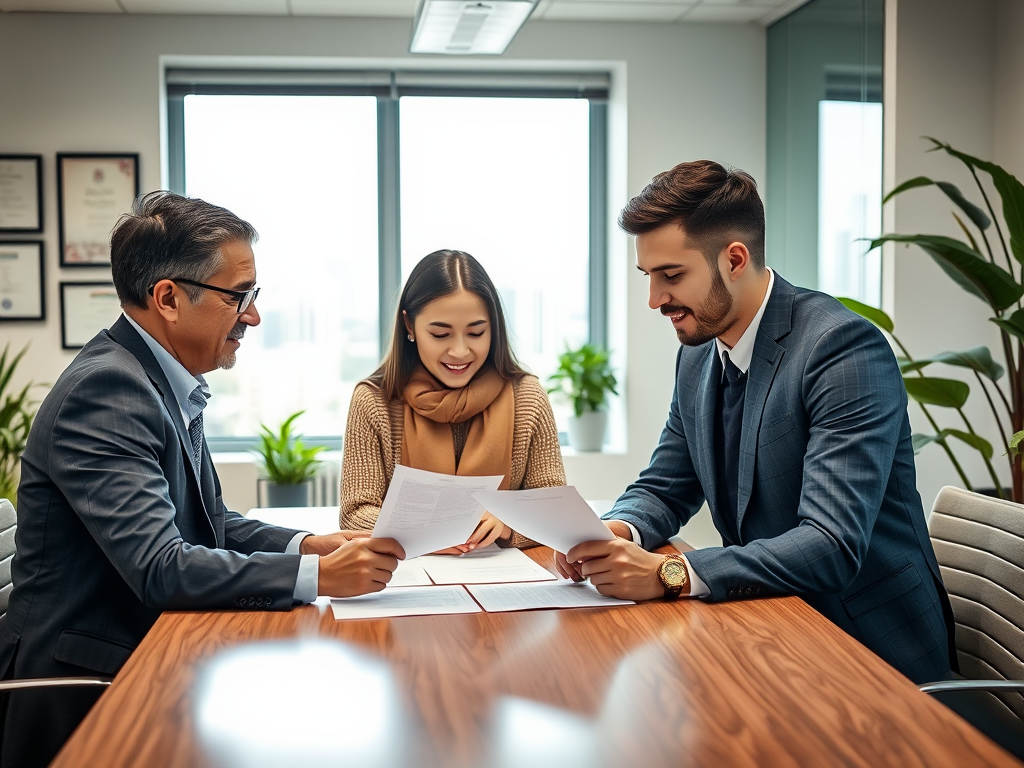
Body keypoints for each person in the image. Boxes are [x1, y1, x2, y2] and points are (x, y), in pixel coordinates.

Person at [0, 191, 405, 768]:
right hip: (85, 687)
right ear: (167, 297)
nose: (254, 315)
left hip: (143, 655)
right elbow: (163, 567)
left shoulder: (157, 379)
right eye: (239, 296)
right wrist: (318, 575)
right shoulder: (108, 392)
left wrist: (308, 545)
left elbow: (210, 526)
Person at [555, 160, 955, 684]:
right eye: (648, 277)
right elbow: (667, 484)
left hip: (873, 656)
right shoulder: (700, 353)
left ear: (735, 259)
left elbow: (830, 544)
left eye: (671, 275)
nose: (655, 300)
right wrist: (617, 529)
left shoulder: (841, 350)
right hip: (770, 632)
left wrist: (672, 573)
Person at [341, 249, 565, 551]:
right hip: (404, 582)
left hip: (503, 580)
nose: (460, 351)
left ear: (493, 328)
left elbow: (556, 510)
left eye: (476, 332)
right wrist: (429, 532)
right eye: (440, 334)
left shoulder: (527, 397)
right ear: (410, 326)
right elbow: (355, 514)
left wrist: (507, 523)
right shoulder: (374, 400)